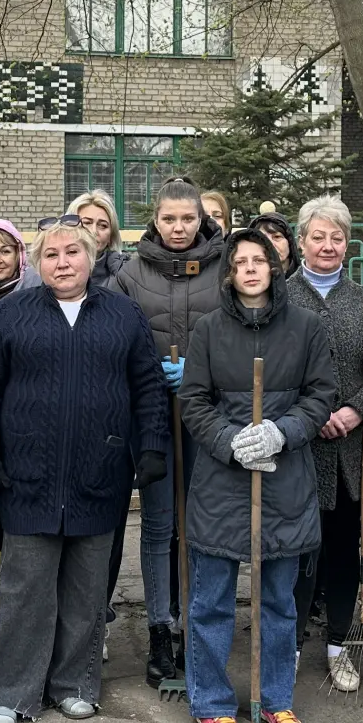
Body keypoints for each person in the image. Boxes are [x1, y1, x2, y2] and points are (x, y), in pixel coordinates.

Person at [0, 222, 169, 723]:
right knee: (24, 589)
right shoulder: (14, 313)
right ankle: (10, 690)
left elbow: (147, 384)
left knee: (86, 590)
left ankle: (75, 684)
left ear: (92, 255)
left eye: (73, 252)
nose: (63, 262)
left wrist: (151, 446)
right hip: (27, 475)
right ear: (37, 262)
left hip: (100, 471)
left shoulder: (122, 314)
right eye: (51, 254)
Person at [178, 229, 338, 723]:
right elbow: (194, 402)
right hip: (221, 484)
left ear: (273, 267)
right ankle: (211, 701)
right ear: (229, 273)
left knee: (278, 602)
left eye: (259, 261)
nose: (250, 269)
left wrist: (281, 433)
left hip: (285, 481)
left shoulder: (307, 327)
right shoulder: (207, 329)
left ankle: (276, 700)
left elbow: (320, 396)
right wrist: (230, 441)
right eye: (240, 262)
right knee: (211, 601)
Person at [111, 176, 227, 685]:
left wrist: (204, 372)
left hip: (208, 413)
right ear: (155, 221)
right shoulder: (130, 274)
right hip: (153, 416)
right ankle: (160, 627)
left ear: (202, 219)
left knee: (200, 523)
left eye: (188, 218)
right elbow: (114, 341)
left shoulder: (227, 268)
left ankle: (195, 624)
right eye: (168, 219)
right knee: (158, 524)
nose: (178, 228)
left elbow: (246, 331)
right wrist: (146, 373)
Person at [284, 197, 363, 692]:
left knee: (346, 549)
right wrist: (313, 415)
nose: (328, 246)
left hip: (352, 449)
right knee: (298, 553)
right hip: (299, 449)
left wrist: (356, 410)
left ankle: (338, 645)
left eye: (337, 238)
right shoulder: (282, 298)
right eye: (318, 237)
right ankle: (288, 643)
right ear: (301, 241)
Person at [22, 190, 128, 291]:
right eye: (87, 223)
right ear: (68, 226)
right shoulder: (34, 276)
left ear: (111, 236)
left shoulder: (125, 275)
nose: (94, 231)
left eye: (103, 226)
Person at [249, 210, 296, 275]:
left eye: (277, 237)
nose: (270, 244)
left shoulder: (306, 282)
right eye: (262, 239)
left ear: (289, 242)